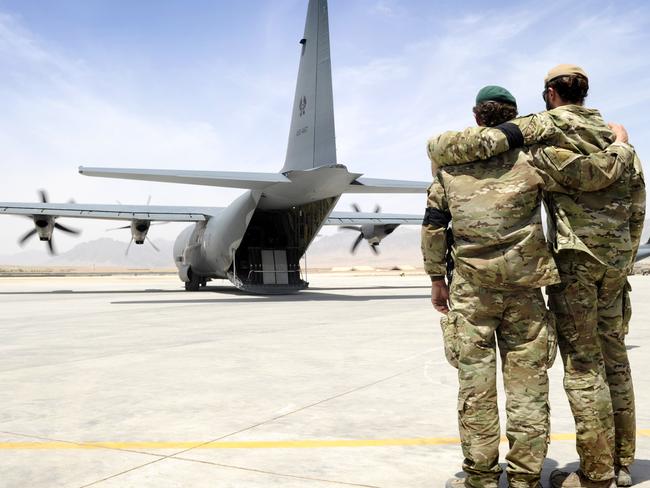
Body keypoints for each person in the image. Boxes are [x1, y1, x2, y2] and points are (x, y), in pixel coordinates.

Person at [428, 65, 645, 488]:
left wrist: (437, 276)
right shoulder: (548, 154)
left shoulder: (484, 158)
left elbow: (434, 222)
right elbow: (631, 205)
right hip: (549, 280)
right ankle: (558, 473)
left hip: (480, 287)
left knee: (480, 383)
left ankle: (483, 477)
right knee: (552, 378)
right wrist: (622, 146)